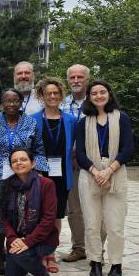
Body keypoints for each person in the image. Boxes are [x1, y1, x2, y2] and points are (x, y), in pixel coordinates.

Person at [0, 88, 48, 275]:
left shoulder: (31, 123)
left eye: (15, 101)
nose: (11, 105)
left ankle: (20, 252)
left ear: (21, 103)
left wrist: (39, 175)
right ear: (2, 103)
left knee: (22, 214)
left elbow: (39, 150)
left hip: (25, 178)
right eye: (7, 101)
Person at [76, 79, 134, 276]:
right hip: (90, 176)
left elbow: (128, 149)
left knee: (115, 225)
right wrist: (96, 172)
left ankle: (116, 264)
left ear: (109, 94)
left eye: (102, 92)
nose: (98, 96)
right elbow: (80, 153)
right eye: (94, 93)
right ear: (89, 97)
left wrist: (108, 171)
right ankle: (95, 261)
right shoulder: (84, 122)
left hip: (116, 174)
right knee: (92, 224)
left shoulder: (122, 118)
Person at [31, 77, 78, 275]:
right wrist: (39, 168)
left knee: (57, 214)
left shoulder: (71, 120)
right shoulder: (33, 119)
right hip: (40, 174)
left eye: (56, 93)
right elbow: (31, 147)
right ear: (41, 96)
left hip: (63, 174)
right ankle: (40, 253)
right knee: (41, 214)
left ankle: (51, 252)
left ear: (61, 96)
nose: (52, 96)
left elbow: (75, 148)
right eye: (48, 93)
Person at [0, 148, 57, 276]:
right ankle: (29, 262)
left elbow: (49, 219)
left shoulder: (46, 184)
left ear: (33, 163)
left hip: (42, 239)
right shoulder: (7, 185)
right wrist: (13, 239)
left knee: (21, 255)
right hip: (18, 239)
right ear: (11, 166)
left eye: (23, 159)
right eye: (14, 161)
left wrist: (28, 242)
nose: (18, 163)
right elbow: (4, 217)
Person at [60, 64, 90, 263]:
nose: (76, 80)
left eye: (80, 77)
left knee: (96, 208)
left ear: (87, 79)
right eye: (73, 77)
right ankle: (79, 247)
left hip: (92, 163)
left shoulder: (96, 100)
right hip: (69, 164)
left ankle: (96, 249)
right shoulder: (62, 103)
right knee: (74, 209)